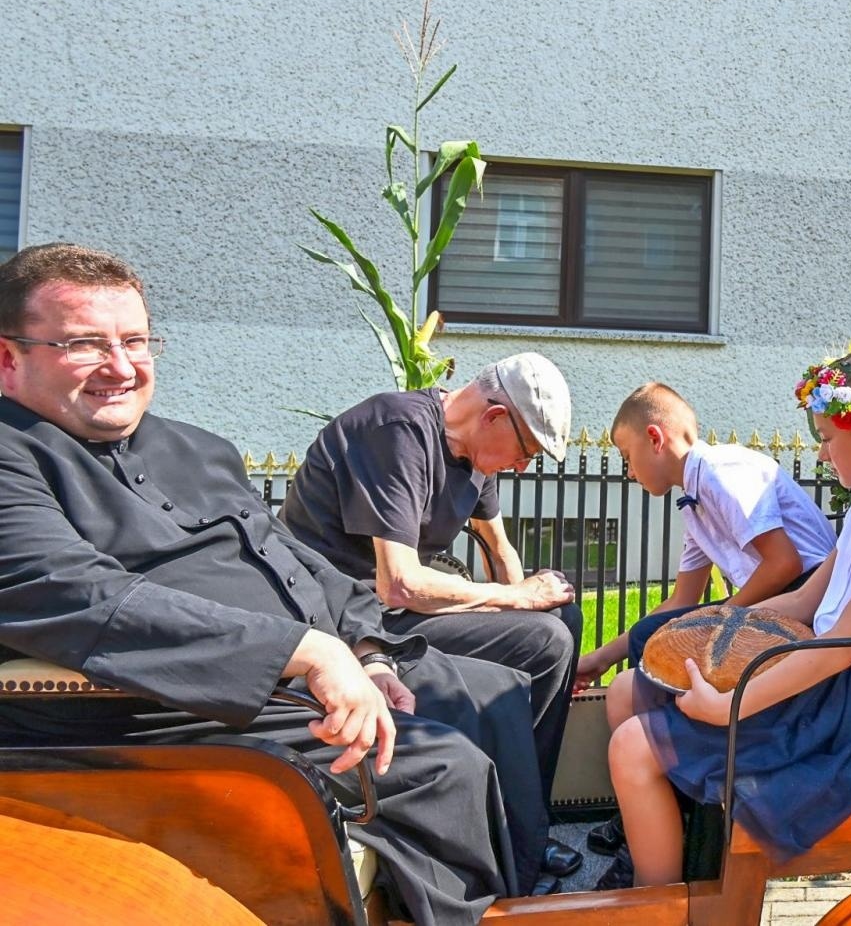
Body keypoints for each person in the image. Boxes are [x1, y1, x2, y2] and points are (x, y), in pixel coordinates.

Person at [0, 243, 548, 925]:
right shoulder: (10, 454)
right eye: (85, 344)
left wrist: (368, 652)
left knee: (492, 689)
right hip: (151, 706)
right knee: (443, 766)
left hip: (281, 679)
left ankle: (520, 893)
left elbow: (287, 555)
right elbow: (67, 593)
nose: (121, 366)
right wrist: (306, 653)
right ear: (9, 358)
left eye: (136, 341)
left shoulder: (194, 446)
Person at [599, 349, 851, 889]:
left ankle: (660, 902)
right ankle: (678, 849)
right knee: (628, 689)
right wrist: (703, 632)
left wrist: (726, 708)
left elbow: (842, 644)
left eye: (827, 439)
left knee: (632, 747)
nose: (822, 454)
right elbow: (800, 603)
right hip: (833, 671)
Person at [279, 353, 586, 881]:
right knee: (544, 635)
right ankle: (510, 830)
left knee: (560, 627)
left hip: (393, 615)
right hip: (344, 623)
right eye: (527, 451)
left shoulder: (474, 454)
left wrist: (526, 596)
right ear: (494, 417)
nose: (522, 467)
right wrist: (517, 600)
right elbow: (397, 580)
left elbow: (501, 549)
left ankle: (527, 822)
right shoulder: (395, 431)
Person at [575, 381, 836, 857]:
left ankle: (669, 799)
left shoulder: (720, 472)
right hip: (771, 604)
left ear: (656, 438)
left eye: (627, 454)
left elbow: (785, 565)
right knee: (646, 649)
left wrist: (723, 618)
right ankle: (655, 805)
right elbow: (680, 600)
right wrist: (599, 657)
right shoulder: (693, 501)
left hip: (808, 607)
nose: (628, 470)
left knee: (661, 643)